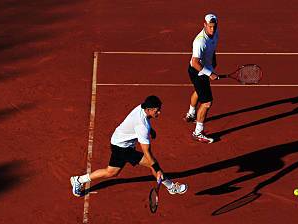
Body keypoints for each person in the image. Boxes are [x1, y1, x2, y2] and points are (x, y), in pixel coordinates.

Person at [70, 95, 187, 197]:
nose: (159, 113)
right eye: (157, 111)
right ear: (148, 109)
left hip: (118, 141)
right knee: (151, 163)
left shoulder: (141, 108)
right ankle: (171, 187)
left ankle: (79, 180)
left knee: (111, 172)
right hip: (122, 148)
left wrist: (151, 130)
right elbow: (147, 152)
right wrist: (157, 169)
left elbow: (143, 122)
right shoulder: (142, 126)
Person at [184, 13, 219, 144]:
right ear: (204, 25)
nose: (212, 29)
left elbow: (213, 48)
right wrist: (209, 73)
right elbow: (195, 62)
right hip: (197, 71)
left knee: (199, 92)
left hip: (204, 68)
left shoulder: (215, 32)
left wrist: (213, 63)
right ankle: (198, 132)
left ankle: (191, 114)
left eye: (214, 27)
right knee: (207, 102)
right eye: (210, 26)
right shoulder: (199, 41)